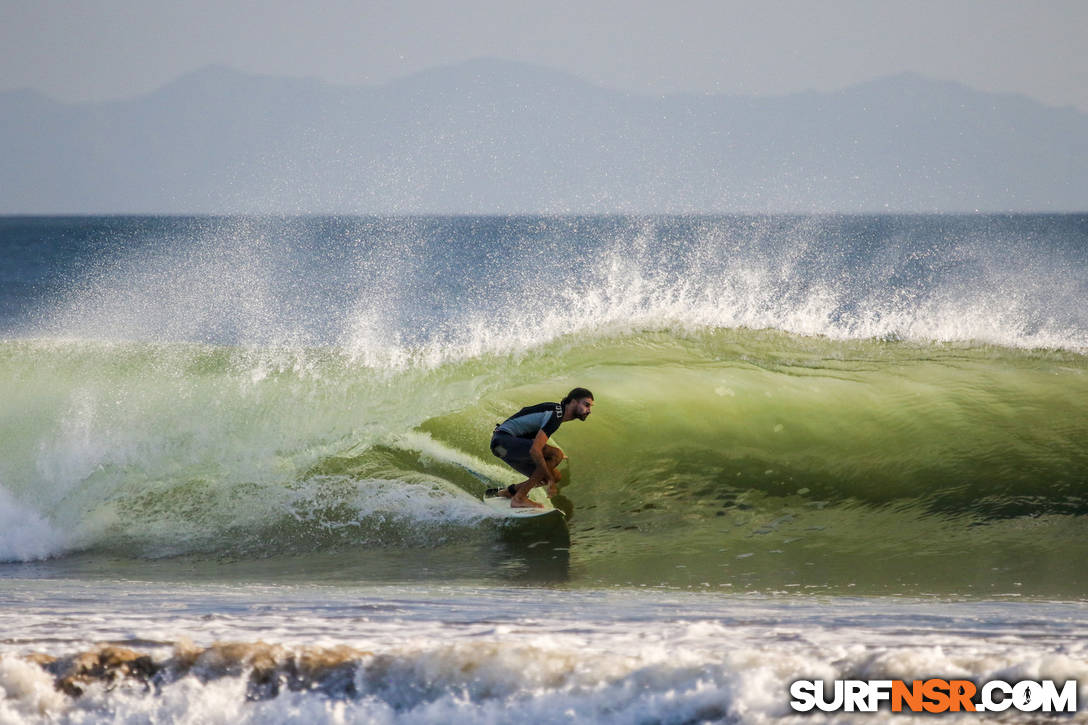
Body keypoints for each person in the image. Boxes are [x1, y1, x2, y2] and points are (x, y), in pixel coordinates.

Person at [489, 388, 594, 508]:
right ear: (574, 402)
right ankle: (519, 498)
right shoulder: (556, 414)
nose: (589, 410)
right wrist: (551, 476)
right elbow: (535, 450)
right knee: (555, 458)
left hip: (501, 449)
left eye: (590, 407)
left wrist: (550, 475)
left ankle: (510, 492)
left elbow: (532, 438)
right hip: (502, 442)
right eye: (586, 405)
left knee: (555, 476)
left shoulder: (555, 412)